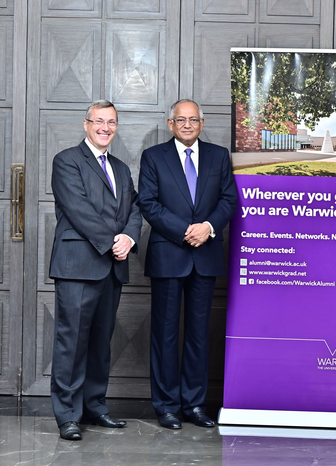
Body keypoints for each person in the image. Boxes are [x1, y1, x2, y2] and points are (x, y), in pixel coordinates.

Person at [138, 99, 238, 429]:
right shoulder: (153, 157)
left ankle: (194, 405)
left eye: (192, 119)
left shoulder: (219, 156)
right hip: (169, 254)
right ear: (170, 124)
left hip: (206, 256)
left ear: (202, 122)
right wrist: (185, 232)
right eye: (180, 120)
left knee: (198, 335)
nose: (186, 125)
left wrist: (207, 228)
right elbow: (149, 204)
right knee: (165, 335)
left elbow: (228, 200)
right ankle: (166, 406)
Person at [49, 100, 142, 440]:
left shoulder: (120, 167)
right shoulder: (67, 161)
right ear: (86, 124)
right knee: (71, 342)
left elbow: (133, 207)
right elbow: (78, 209)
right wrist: (112, 241)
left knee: (101, 342)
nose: (105, 127)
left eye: (111, 122)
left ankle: (95, 407)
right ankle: (68, 415)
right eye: (99, 121)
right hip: (78, 265)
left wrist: (129, 238)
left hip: (111, 266)